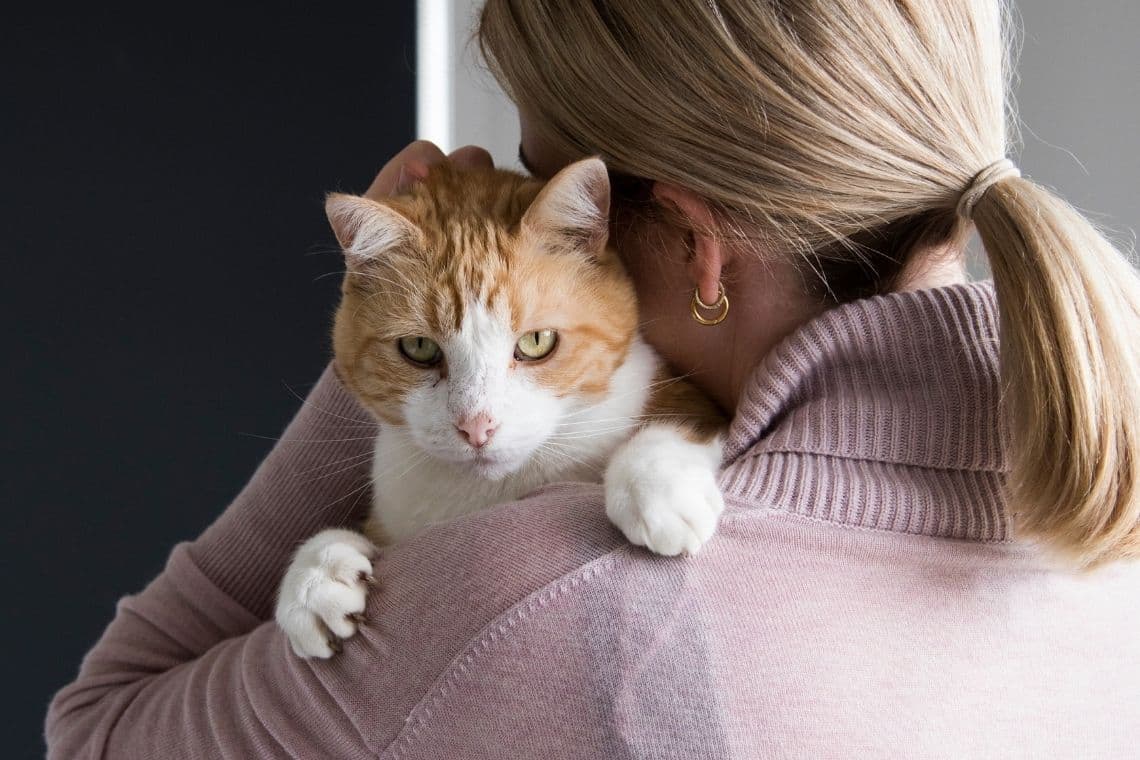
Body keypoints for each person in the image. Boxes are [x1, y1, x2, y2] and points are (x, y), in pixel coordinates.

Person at [47, 1, 1140, 757]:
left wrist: (387, 325)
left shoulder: (543, 600)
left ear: (699, 257)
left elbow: (101, 727)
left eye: (538, 177)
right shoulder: (1104, 512)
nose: (504, 198)